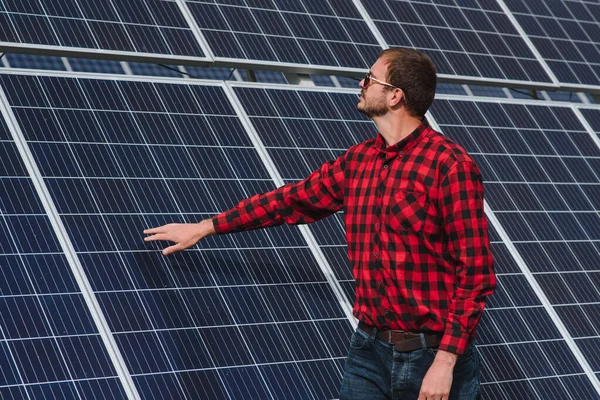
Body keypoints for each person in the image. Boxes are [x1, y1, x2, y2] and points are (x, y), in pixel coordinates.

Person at [143, 47, 495, 400]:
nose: (362, 84)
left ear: (394, 96)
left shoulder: (449, 166)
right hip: (369, 350)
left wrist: (446, 362)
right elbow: (290, 201)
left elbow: (475, 273)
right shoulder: (359, 162)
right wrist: (207, 226)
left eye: (370, 79)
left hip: (432, 355)